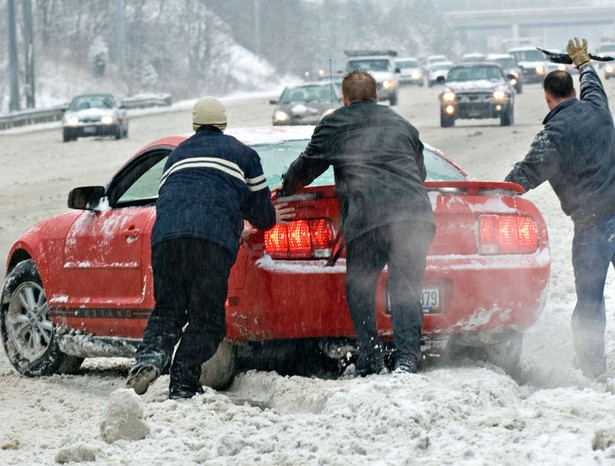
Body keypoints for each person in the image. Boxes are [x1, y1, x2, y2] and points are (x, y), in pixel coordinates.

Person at [127, 96, 293, 399]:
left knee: (168, 310)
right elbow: (261, 213)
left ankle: (149, 358)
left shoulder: (176, 155)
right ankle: (182, 382)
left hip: (166, 240)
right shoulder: (242, 153)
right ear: (224, 123)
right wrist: (266, 219)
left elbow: (184, 197)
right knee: (208, 321)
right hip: (209, 243)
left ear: (194, 124)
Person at [277, 70, 435, 375]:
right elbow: (420, 172)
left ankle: (371, 357)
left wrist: (284, 189)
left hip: (369, 218)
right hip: (414, 215)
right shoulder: (402, 124)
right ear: (376, 95)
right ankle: (406, 359)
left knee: (360, 286)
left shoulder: (335, 123)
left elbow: (306, 167)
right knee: (406, 289)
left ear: (344, 98)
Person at [505, 38, 615, 381]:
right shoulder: (597, 108)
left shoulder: (553, 135)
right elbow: (594, 85)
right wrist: (583, 63)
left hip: (593, 227)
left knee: (590, 300)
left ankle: (593, 370)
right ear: (573, 90)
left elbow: (525, 175)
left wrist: (494, 196)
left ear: (548, 97)